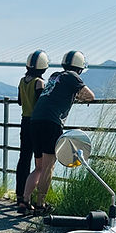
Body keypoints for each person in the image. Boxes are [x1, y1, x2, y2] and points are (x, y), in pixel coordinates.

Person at [23, 50, 95, 214]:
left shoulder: (55, 75)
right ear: (80, 67)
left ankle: (25, 200)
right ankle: (41, 204)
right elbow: (90, 95)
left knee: (39, 167)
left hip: (35, 120)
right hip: (51, 122)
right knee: (49, 166)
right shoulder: (73, 77)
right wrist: (79, 97)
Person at [15, 50, 49, 213]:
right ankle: (34, 198)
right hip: (36, 123)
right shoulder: (39, 83)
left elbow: (20, 102)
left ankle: (20, 195)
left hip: (24, 121)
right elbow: (42, 103)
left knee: (23, 158)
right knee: (39, 162)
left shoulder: (22, 81)